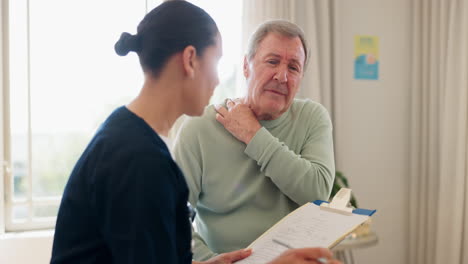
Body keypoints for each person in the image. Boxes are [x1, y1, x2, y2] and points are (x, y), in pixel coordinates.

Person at [50, 1, 339, 264]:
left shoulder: (129, 139)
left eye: (293, 67)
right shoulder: (140, 161)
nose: (216, 79)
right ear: (190, 60)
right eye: (216, 61)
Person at [173, 19, 335, 261]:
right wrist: (212, 262)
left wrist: (254, 135)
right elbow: (173, 217)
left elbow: (317, 191)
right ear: (246, 66)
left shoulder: (312, 118)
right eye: (272, 61)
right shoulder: (198, 128)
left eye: (293, 67)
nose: (282, 76)